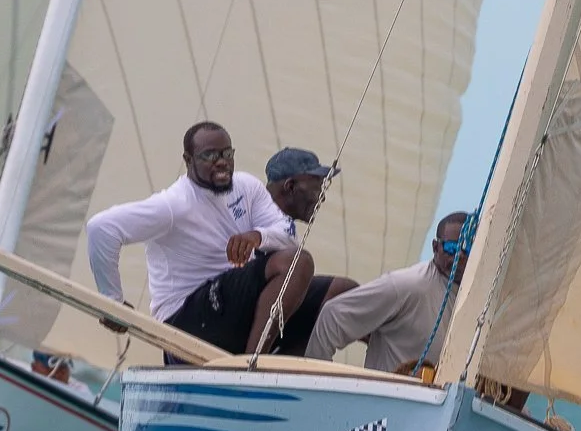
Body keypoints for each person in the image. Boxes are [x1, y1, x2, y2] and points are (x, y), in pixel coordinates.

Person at [85, 121, 316, 359]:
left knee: (327, 288)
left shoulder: (247, 186)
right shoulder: (174, 204)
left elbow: (289, 236)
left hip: (228, 306)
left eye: (227, 153)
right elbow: (101, 229)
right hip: (184, 320)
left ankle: (283, 365)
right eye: (209, 155)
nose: (222, 161)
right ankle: (250, 365)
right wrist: (112, 301)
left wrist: (257, 237)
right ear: (188, 160)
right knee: (294, 263)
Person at [304, 211, 470, 371]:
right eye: (451, 248)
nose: (460, 255)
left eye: (467, 248)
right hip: (386, 390)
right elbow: (332, 316)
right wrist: (316, 381)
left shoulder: (475, 302)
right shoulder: (408, 285)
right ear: (435, 247)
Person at [258, 147, 360, 356]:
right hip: (243, 316)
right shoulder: (257, 221)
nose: (322, 198)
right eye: (317, 189)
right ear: (290, 186)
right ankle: (256, 357)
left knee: (344, 293)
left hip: (264, 306)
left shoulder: (281, 228)